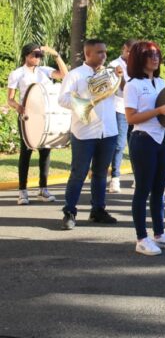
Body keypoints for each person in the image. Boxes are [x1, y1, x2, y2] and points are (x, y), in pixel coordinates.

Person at [123, 41, 165, 256]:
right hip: (143, 138)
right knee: (143, 189)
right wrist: (158, 111)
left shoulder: (162, 81)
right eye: (149, 55)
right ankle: (141, 238)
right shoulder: (133, 85)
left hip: (163, 140)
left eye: (157, 54)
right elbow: (131, 118)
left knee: (159, 189)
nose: (155, 58)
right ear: (139, 58)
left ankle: (159, 234)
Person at [58, 39, 120, 230]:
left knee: (101, 174)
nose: (104, 56)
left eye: (105, 52)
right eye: (100, 52)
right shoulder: (75, 75)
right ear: (88, 54)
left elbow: (123, 95)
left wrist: (121, 79)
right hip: (84, 131)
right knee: (79, 174)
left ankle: (98, 210)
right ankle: (69, 212)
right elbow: (62, 99)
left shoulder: (110, 73)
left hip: (108, 130)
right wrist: (87, 101)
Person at [6, 43, 68, 205]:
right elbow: (10, 99)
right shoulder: (17, 74)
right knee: (25, 152)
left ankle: (43, 189)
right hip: (27, 117)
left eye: (40, 55)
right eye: (36, 55)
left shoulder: (44, 71)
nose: (39, 58)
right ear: (26, 55)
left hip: (45, 117)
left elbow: (64, 75)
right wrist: (19, 108)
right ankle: (22, 191)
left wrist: (56, 55)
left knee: (45, 151)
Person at [107, 39, 135, 194]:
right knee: (119, 145)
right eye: (129, 51)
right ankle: (115, 178)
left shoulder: (139, 65)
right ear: (124, 49)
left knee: (136, 144)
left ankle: (137, 176)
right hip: (120, 109)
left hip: (137, 109)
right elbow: (121, 90)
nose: (131, 54)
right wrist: (121, 77)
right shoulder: (113, 65)